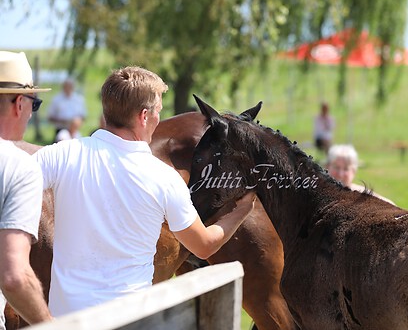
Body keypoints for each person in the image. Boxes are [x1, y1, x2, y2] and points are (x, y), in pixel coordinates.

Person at [33, 66, 255, 317]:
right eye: (158, 111)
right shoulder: (164, 179)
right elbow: (204, 245)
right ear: (144, 116)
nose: (159, 119)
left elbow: (11, 186)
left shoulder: (60, 155)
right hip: (129, 318)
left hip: (67, 320)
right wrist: (242, 210)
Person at [0, 51, 53, 329]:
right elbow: (15, 276)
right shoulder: (18, 167)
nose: (32, 114)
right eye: (36, 104)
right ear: (20, 103)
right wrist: (49, 324)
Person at [326, 144, 395, 205]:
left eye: (346, 169)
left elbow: (391, 206)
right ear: (327, 167)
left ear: (354, 171)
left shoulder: (361, 197)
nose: (340, 174)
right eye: (336, 167)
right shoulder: (318, 193)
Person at [47, 77, 86, 142]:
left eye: (70, 86)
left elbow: (83, 116)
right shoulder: (57, 99)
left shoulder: (79, 99)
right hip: (60, 129)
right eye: (67, 86)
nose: (68, 89)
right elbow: (50, 117)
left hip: (74, 131)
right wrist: (62, 121)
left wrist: (75, 122)